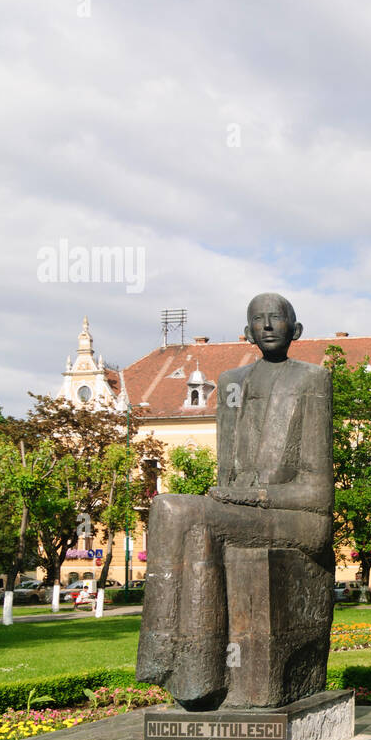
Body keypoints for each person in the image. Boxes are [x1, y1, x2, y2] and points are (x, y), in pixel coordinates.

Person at [136, 293, 334, 710]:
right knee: (180, 517)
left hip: (298, 519)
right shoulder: (231, 383)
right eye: (258, 319)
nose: (268, 326)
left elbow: (318, 494)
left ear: (296, 330)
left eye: (276, 318)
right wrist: (232, 497)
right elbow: (226, 472)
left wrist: (254, 496)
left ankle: (175, 660)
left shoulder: (312, 380)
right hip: (241, 514)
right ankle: (196, 674)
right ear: (247, 332)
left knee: (181, 512)